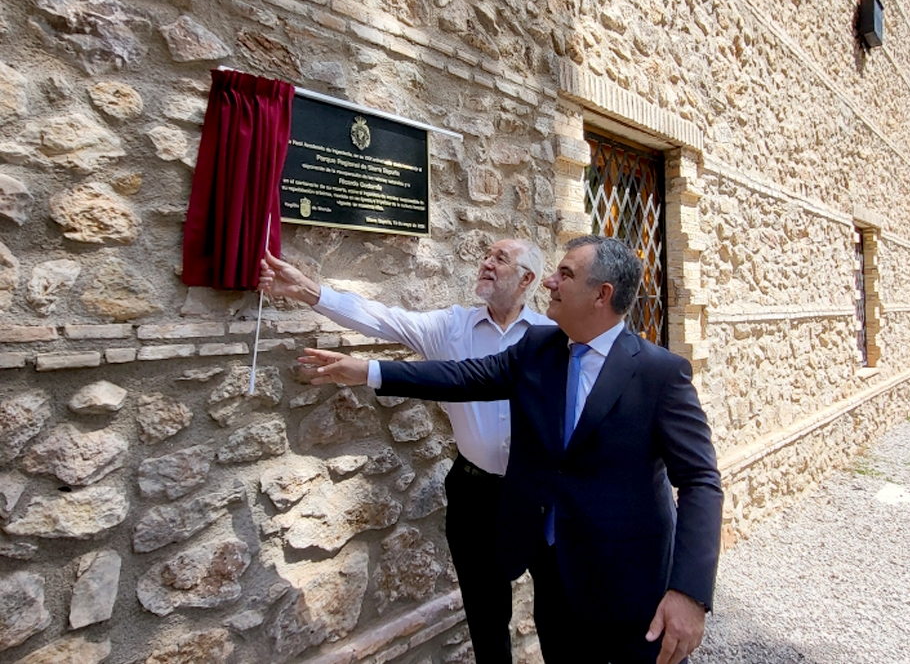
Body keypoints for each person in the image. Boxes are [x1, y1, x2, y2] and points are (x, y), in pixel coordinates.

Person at [299, 235, 723, 664]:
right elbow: (463, 377)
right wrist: (369, 371)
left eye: (565, 274)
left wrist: (688, 591)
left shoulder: (659, 373)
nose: (549, 283)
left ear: (602, 295)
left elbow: (701, 481)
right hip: (558, 579)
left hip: (631, 586)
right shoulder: (538, 350)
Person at [258, 239, 553, 664]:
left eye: (500, 259)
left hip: (539, 496)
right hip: (476, 497)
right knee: (488, 625)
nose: (486, 263)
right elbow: (383, 319)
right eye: (485, 255)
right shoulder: (452, 328)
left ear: (527, 278)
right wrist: (308, 289)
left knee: (559, 617)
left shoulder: (550, 338)